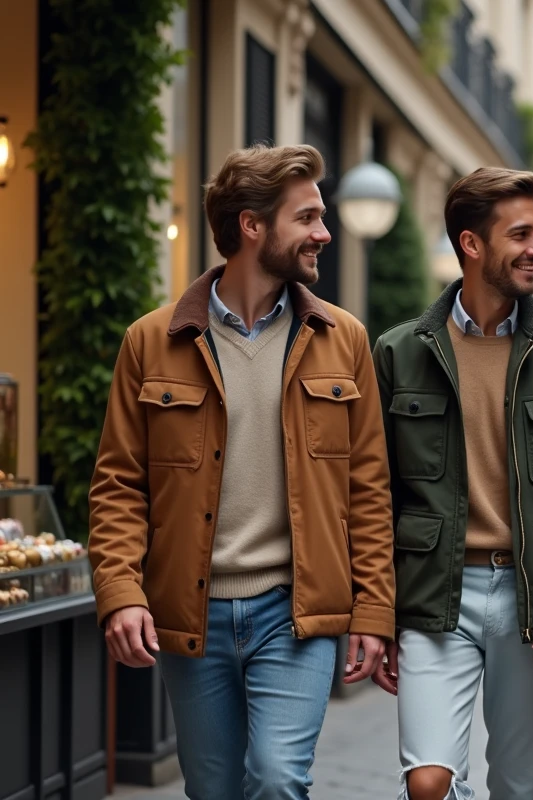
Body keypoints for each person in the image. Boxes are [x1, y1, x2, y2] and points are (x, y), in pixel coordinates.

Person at [88, 144, 396, 798]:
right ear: (252, 227)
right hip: (191, 614)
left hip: (297, 612)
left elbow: (368, 490)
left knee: (279, 778)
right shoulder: (151, 342)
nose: (324, 233)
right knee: (214, 789)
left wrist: (373, 608)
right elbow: (118, 485)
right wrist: (120, 591)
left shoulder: (344, 340)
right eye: (307, 218)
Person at [372, 167, 533, 800]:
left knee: (518, 787)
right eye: (521, 233)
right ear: (472, 244)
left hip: (532, 599)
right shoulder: (399, 353)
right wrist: (375, 612)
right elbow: (373, 494)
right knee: (428, 781)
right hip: (434, 593)